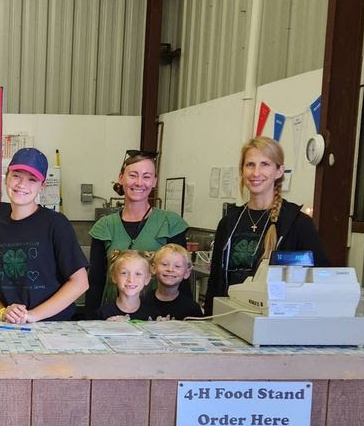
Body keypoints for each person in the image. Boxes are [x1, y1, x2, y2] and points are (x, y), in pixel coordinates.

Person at [204, 136, 329, 314]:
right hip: (228, 319)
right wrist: (210, 319)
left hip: (276, 324)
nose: (256, 173)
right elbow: (214, 280)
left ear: (279, 171)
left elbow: (320, 277)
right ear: (242, 171)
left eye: (265, 164)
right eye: (250, 165)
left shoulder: (297, 223)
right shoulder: (228, 223)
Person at [0, 148, 89, 323]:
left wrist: (33, 315)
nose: (22, 184)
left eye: (32, 179)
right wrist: (2, 312)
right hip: (9, 327)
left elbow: (80, 282)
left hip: (54, 328)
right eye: (16, 175)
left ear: (41, 185)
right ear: (6, 176)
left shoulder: (55, 224)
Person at [84, 150, 188, 318]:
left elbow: (182, 279)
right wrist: (90, 320)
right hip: (112, 317)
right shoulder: (105, 227)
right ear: (121, 178)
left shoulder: (170, 224)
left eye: (147, 177)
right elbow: (95, 281)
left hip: (158, 318)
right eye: (133, 175)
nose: (139, 183)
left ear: (154, 181)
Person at [138, 244, 204, 320]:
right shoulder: (141, 303)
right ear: (153, 268)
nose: (170, 269)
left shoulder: (192, 309)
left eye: (177, 266)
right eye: (164, 264)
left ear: (186, 273)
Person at [96, 250, 152, 320]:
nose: (131, 279)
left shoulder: (152, 314)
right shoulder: (103, 313)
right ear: (114, 277)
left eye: (138, 274)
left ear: (147, 279)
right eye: (124, 273)